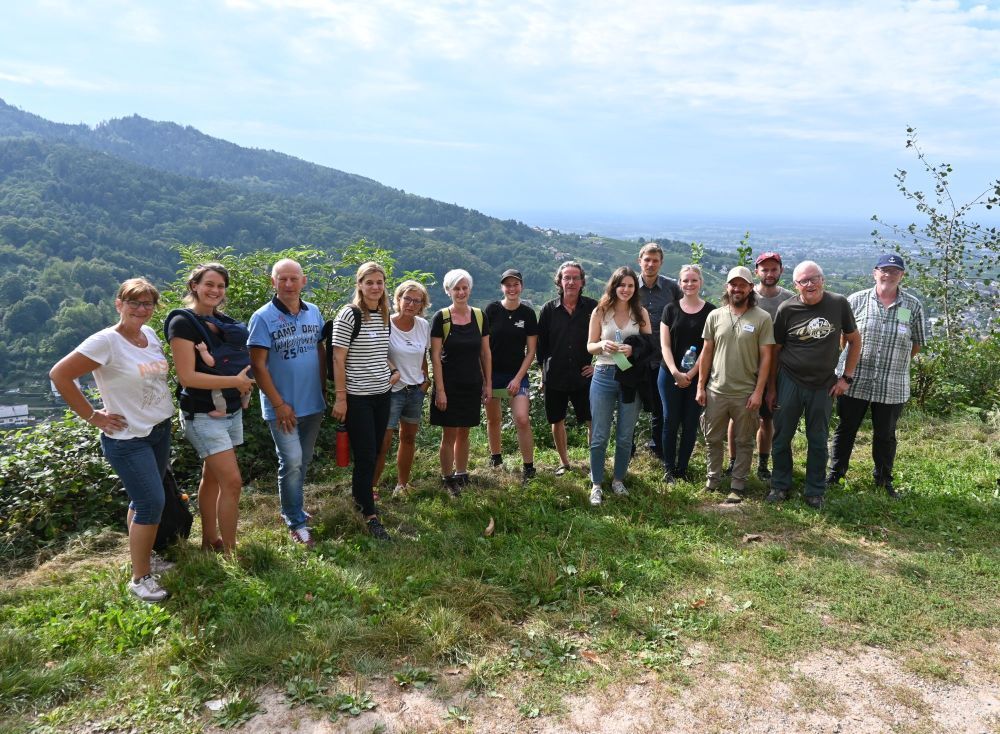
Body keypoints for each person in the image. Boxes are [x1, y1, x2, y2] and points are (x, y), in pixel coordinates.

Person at [50, 278, 175, 603]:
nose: (141, 309)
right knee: (151, 503)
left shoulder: (148, 335)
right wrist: (93, 415)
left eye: (147, 303)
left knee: (142, 500)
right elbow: (60, 375)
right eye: (134, 302)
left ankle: (144, 560)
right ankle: (140, 579)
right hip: (127, 438)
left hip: (158, 429)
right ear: (119, 304)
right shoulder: (105, 341)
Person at [168, 263, 255, 554]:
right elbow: (187, 377)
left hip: (230, 409)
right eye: (209, 284)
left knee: (213, 477)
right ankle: (230, 553)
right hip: (203, 413)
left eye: (220, 286)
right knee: (232, 482)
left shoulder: (223, 321)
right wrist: (236, 381)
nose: (215, 291)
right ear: (194, 285)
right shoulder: (182, 323)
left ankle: (209, 541)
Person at [828, 254, 927, 497]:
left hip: (892, 382)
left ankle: (883, 481)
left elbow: (917, 344)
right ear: (875, 273)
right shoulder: (856, 300)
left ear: (902, 275)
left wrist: (896, 362)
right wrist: (847, 368)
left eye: (895, 271)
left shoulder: (912, 306)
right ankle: (835, 475)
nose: (889, 275)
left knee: (885, 434)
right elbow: (844, 339)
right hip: (855, 379)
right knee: (846, 428)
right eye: (884, 270)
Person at [766, 261, 861, 509]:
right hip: (789, 380)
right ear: (796, 285)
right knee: (781, 436)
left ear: (823, 280)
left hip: (823, 384)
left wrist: (846, 378)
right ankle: (780, 485)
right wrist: (772, 388)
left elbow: (854, 340)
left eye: (814, 279)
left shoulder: (838, 303)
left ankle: (815, 490)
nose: (810, 284)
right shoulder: (787, 309)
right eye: (804, 281)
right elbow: (775, 350)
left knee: (818, 439)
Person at [247, 258, 326, 547]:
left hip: (312, 402)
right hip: (282, 407)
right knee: (291, 461)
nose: (289, 284)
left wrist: (323, 389)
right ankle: (295, 520)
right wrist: (279, 405)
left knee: (302, 461)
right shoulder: (262, 317)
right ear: (273, 282)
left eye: (294, 278)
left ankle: (294, 506)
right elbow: (258, 366)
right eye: (283, 279)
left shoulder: (313, 312)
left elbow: (320, 350)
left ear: (304, 281)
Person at [331, 261, 397, 541]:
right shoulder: (349, 314)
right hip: (358, 397)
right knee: (366, 455)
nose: (375, 287)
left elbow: (380, 352)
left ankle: (363, 501)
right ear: (359, 284)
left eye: (379, 282)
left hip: (383, 394)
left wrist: (392, 370)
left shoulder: (384, 314)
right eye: (369, 282)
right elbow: (338, 358)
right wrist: (341, 398)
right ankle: (368, 514)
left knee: (377, 450)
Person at [696, 266, 774, 499]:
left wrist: (759, 392)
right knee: (712, 439)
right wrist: (701, 386)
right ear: (727, 287)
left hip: (745, 393)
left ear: (750, 288)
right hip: (716, 390)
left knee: (744, 441)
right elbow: (706, 353)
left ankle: (738, 485)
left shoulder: (762, 318)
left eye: (742, 285)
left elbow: (767, 358)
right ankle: (712, 480)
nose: (737, 289)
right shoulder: (715, 315)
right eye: (733, 284)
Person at [585, 266, 652, 505]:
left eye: (630, 285)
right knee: (599, 435)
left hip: (630, 377)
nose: (626, 289)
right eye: (622, 285)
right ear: (614, 286)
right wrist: (602, 345)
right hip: (603, 374)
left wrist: (633, 349)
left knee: (625, 435)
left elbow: (649, 345)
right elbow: (589, 346)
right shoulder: (600, 311)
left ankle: (618, 480)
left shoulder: (640, 312)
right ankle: (596, 483)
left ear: (636, 288)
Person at [430, 269, 491, 495]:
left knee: (464, 431)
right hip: (449, 385)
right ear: (448, 291)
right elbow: (435, 356)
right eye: (456, 288)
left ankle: (461, 473)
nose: (461, 292)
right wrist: (440, 390)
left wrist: (488, 384)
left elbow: (485, 353)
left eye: (465, 288)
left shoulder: (479, 316)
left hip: (472, 383)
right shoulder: (441, 317)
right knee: (449, 434)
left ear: (470, 289)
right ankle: (447, 478)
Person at [536, 261, 598, 476]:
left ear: (582, 282)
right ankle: (564, 462)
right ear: (560, 281)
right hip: (556, 375)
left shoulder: (593, 307)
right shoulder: (548, 309)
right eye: (566, 278)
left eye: (575, 278)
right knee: (557, 419)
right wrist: (543, 375)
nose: (571, 282)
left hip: (585, 375)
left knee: (592, 420)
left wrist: (597, 365)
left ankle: (594, 462)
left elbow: (606, 336)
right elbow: (541, 347)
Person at [373, 280, 432, 497]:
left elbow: (423, 355)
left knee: (408, 438)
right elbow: (377, 354)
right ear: (398, 299)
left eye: (417, 301)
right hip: (391, 390)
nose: (411, 304)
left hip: (415, 390)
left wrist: (426, 381)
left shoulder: (423, 326)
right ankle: (371, 488)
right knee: (383, 441)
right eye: (407, 298)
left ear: (422, 305)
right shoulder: (385, 324)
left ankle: (402, 485)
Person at [658, 264, 716, 483]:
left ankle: (682, 469)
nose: (689, 284)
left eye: (693, 280)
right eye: (685, 280)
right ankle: (668, 468)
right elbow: (665, 345)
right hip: (668, 374)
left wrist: (690, 375)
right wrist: (675, 372)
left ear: (701, 282)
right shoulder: (670, 309)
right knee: (670, 421)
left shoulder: (711, 312)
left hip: (697, 376)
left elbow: (708, 349)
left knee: (690, 423)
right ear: (679, 283)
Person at [484, 269, 538, 482]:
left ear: (521, 286)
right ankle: (496, 458)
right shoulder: (492, 310)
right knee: (493, 419)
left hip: (517, 374)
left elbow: (531, 351)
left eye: (515, 284)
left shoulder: (528, 314)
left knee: (522, 419)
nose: (512, 288)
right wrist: (486, 379)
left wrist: (517, 378)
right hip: (492, 373)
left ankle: (529, 467)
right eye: (508, 285)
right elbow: (484, 348)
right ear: (502, 287)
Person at [637, 243, 683, 458]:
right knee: (630, 405)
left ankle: (658, 448)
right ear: (640, 261)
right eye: (647, 260)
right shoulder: (629, 286)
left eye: (655, 260)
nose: (651, 264)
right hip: (634, 357)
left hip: (662, 357)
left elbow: (683, 313)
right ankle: (628, 449)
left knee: (660, 406)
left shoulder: (672, 288)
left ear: (661, 263)